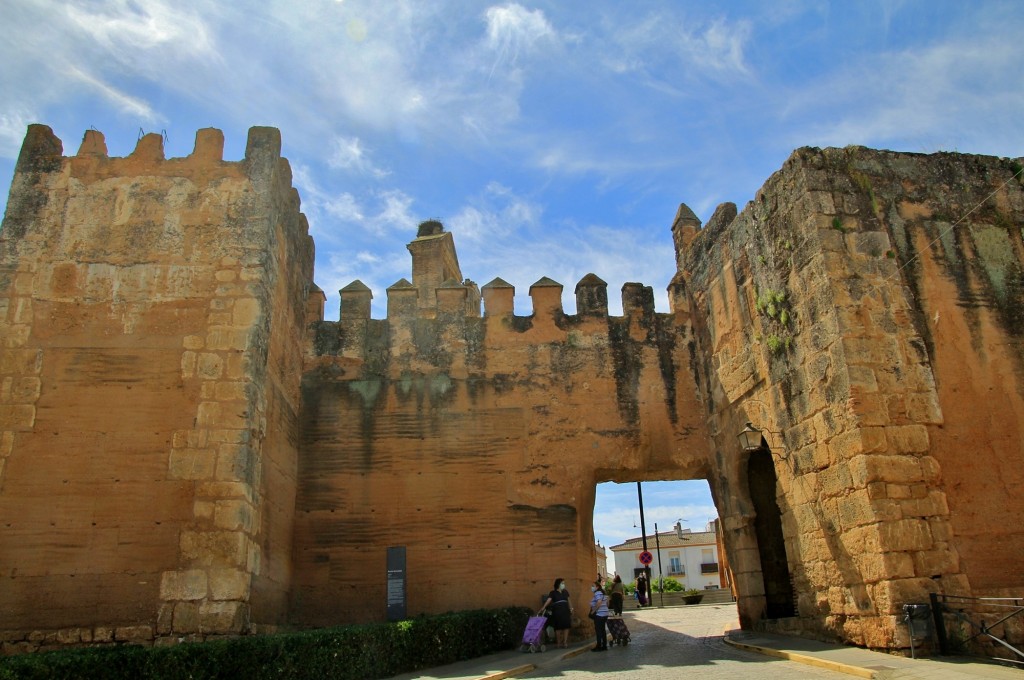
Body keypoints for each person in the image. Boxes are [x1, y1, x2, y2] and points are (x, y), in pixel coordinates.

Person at [538, 577, 574, 648]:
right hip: (557, 611)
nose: (563, 585)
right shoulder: (553, 592)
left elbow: (569, 600)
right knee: (558, 627)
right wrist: (543, 608)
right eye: (562, 583)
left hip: (565, 610)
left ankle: (565, 642)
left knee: (566, 626)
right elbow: (548, 601)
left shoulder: (565, 592)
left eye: (564, 583)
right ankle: (559, 643)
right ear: (558, 584)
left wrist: (571, 608)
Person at [588, 579, 610, 651]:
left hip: (599, 614)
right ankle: (604, 645)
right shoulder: (603, 593)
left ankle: (599, 646)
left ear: (597, 587)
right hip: (605, 613)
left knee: (598, 630)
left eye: (593, 586)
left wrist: (594, 611)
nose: (592, 587)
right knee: (603, 630)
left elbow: (599, 602)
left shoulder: (597, 593)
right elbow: (607, 603)